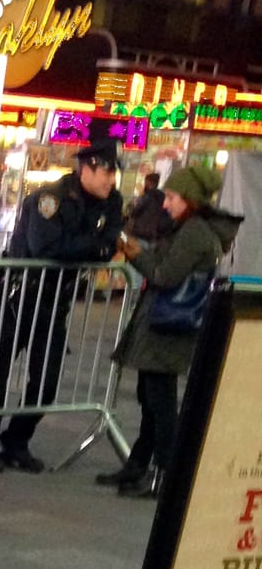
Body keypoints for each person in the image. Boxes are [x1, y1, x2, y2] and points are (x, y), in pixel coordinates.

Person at [0, 130, 124, 473]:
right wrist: (93, 246)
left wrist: (94, 246)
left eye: (114, 173)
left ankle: (16, 441)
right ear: (88, 167)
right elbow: (48, 249)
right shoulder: (50, 198)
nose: (112, 180)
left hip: (55, 301)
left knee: (46, 380)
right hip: (18, 295)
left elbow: (110, 243)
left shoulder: (110, 202)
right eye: (107, 171)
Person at [105, 164, 242, 499]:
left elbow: (165, 275)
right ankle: (139, 465)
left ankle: (166, 474)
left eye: (171, 197)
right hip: (165, 326)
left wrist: (134, 253)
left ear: (190, 200)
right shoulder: (189, 228)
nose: (165, 203)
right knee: (151, 400)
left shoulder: (195, 232)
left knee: (161, 404)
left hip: (171, 327)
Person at [125, 171, 173, 244]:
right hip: (154, 236)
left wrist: (135, 200)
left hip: (140, 233)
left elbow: (134, 211)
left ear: (148, 182)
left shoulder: (147, 196)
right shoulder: (162, 197)